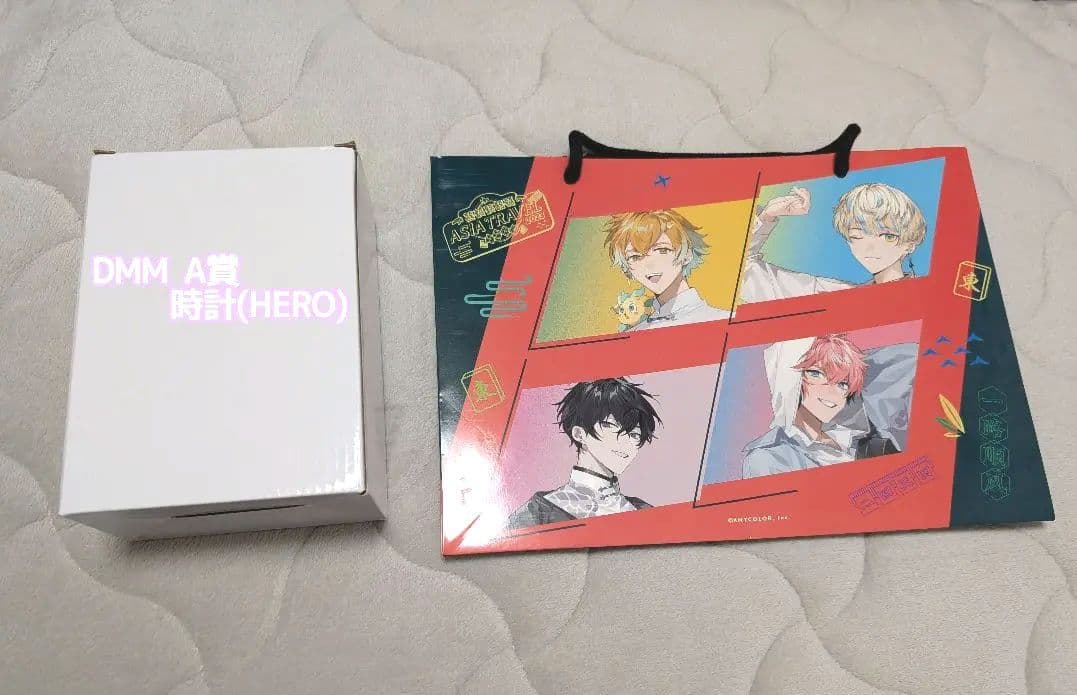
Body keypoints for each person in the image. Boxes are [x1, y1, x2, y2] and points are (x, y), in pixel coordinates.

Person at [742, 334, 910, 478]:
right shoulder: (767, 458)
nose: (833, 391)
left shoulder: (858, 440)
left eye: (843, 383)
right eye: (817, 374)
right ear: (789, 378)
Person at [505, 378, 661, 529]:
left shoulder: (644, 511)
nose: (626, 442)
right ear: (579, 433)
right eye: (611, 426)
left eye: (634, 434)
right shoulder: (538, 512)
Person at [740, 183, 928, 304]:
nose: (870, 248)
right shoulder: (836, 296)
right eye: (857, 236)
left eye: (888, 236)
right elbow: (742, 273)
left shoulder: (927, 295)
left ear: (910, 244)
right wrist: (767, 216)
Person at [603, 209, 729, 329]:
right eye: (635, 257)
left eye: (662, 250)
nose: (649, 264)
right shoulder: (635, 333)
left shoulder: (723, 320)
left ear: (687, 254)